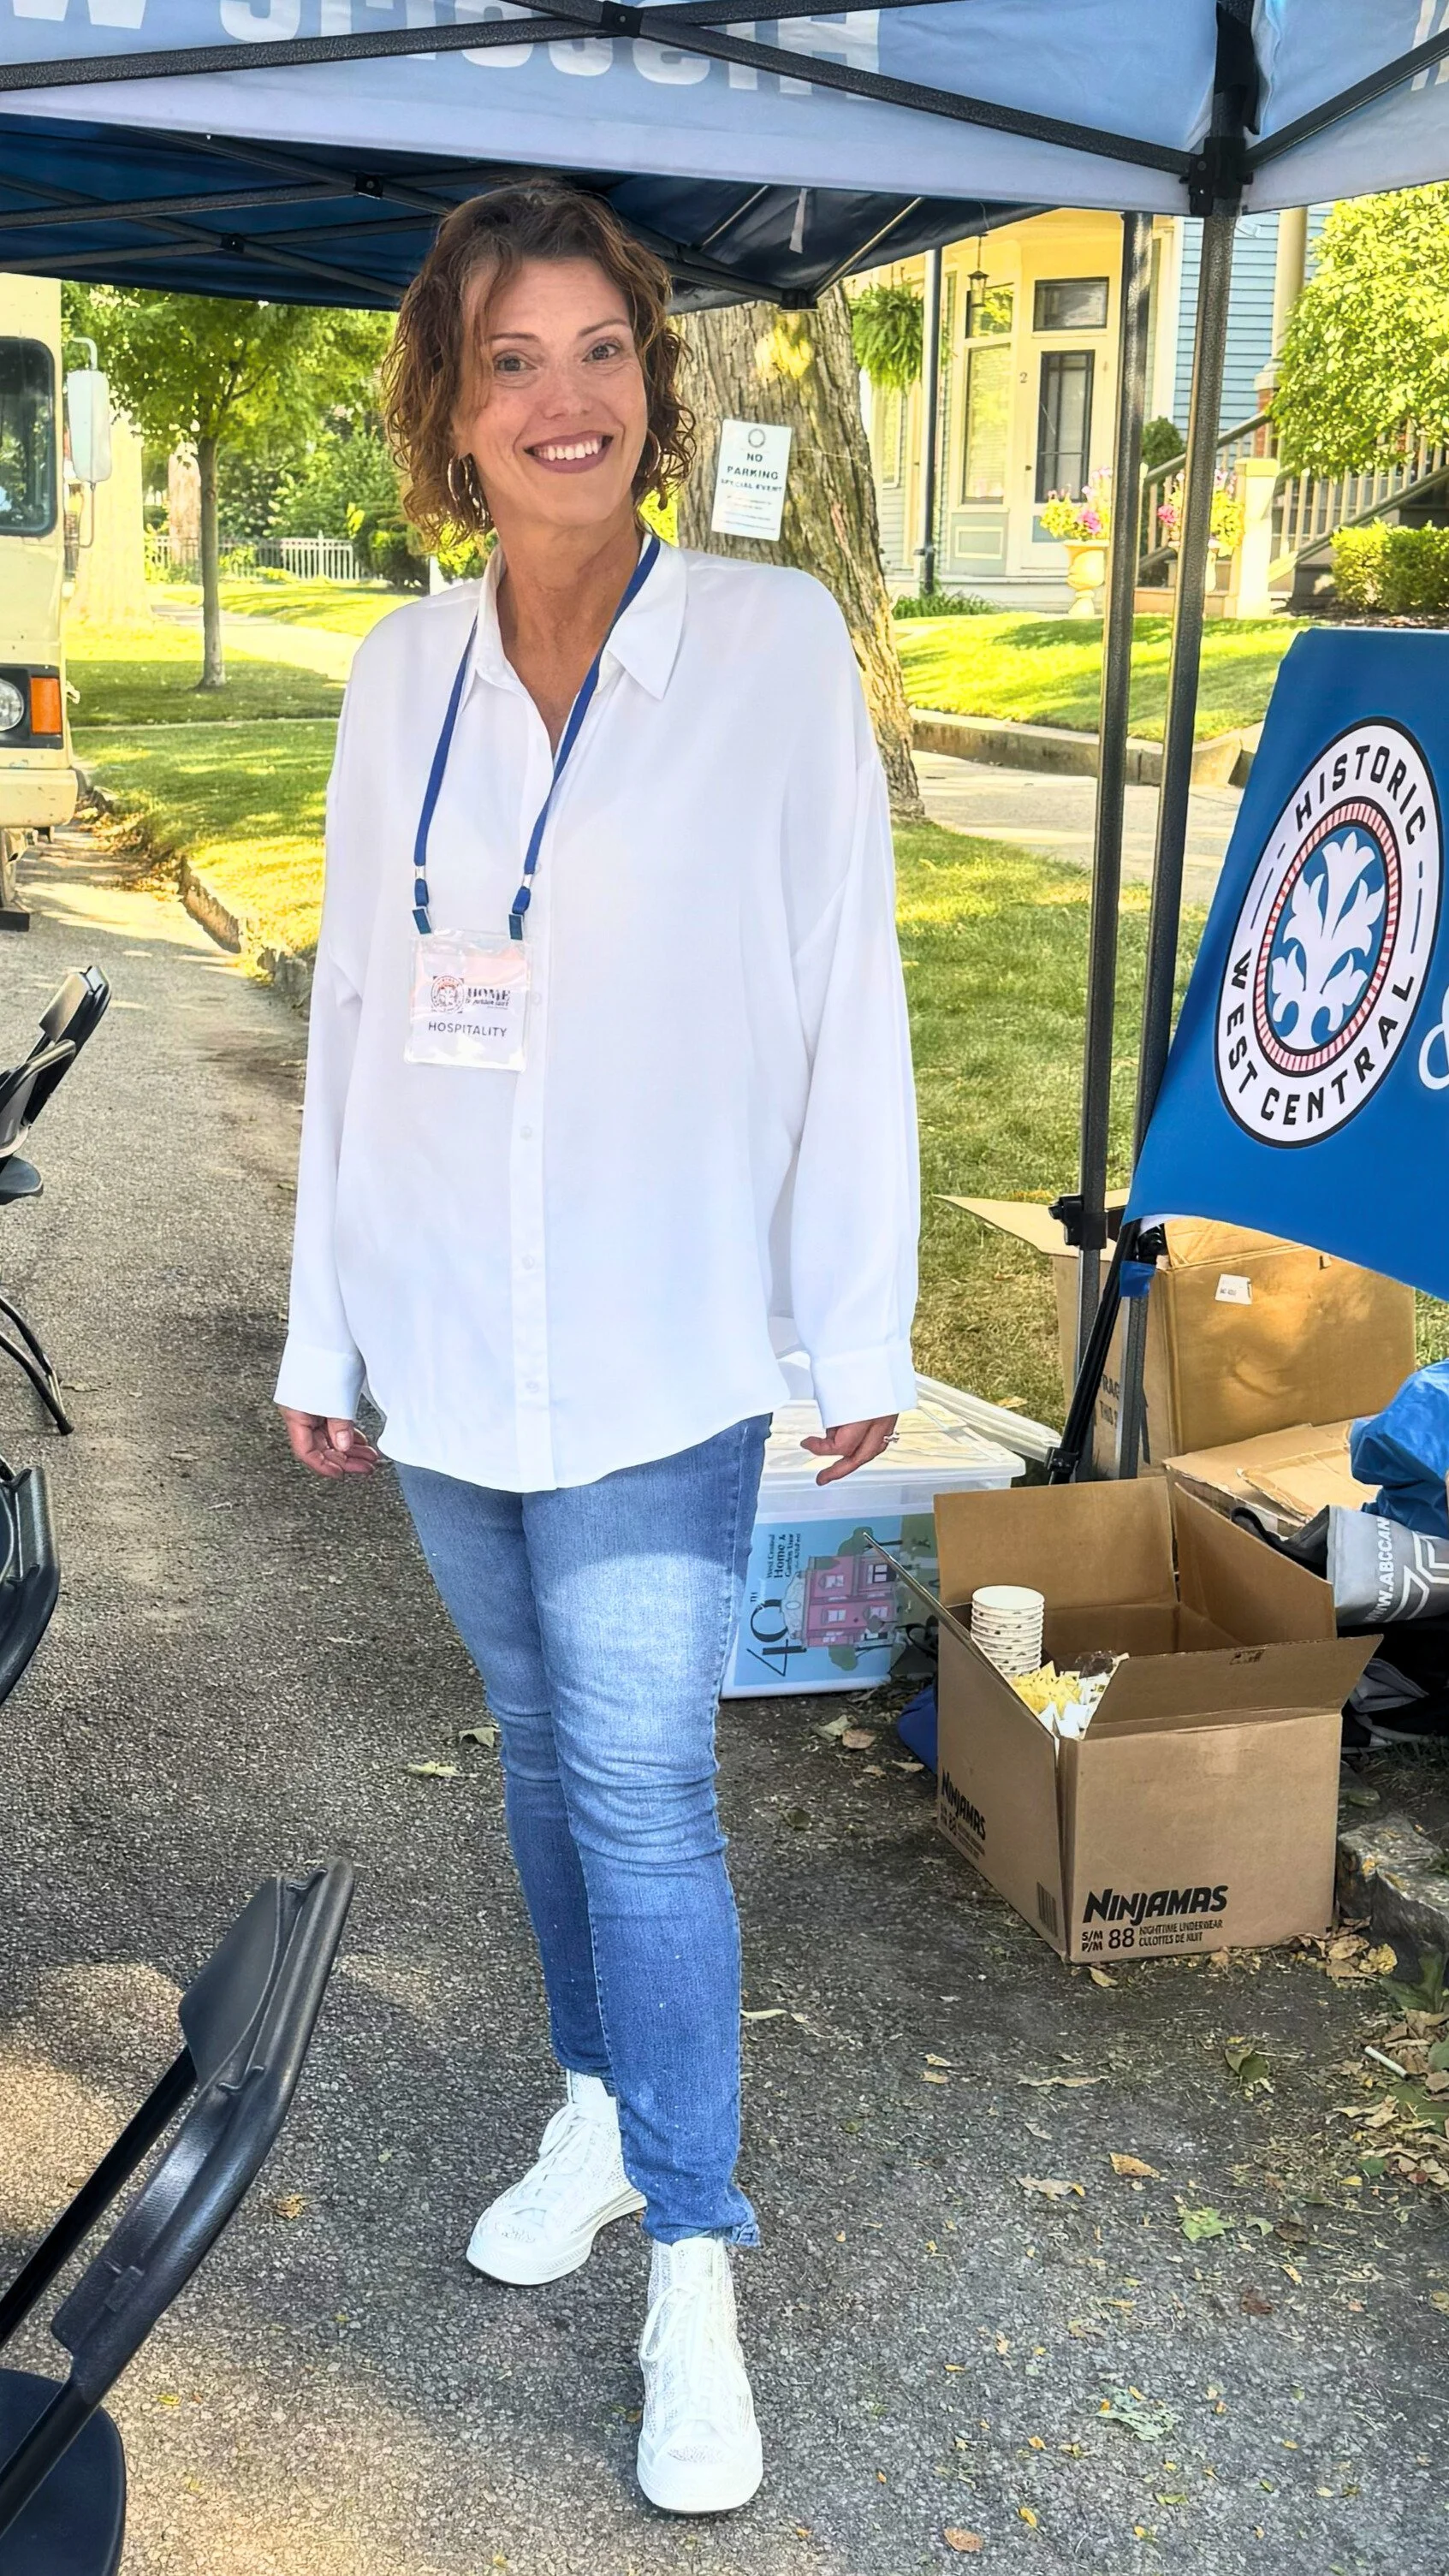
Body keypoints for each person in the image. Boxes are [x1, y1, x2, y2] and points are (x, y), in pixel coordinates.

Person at [276, 179, 918, 2518]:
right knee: (544, 1749)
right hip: (445, 1335)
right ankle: (593, 2104)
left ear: (656, 386)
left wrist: (853, 1310)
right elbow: (357, 1006)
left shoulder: (757, 651)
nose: (563, 400)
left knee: (643, 1784)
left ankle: (698, 2267)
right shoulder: (396, 676)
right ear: (448, 417)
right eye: (509, 362)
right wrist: (322, 1323)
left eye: (600, 354)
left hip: (660, 1342)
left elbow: (848, 1002)